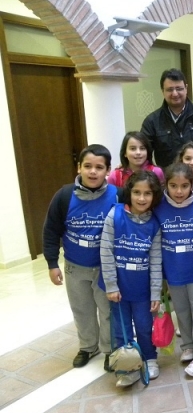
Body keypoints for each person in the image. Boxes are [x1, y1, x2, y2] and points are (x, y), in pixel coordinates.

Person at [43, 144, 120, 371]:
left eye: (99, 167)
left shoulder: (118, 195)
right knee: (82, 309)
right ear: (79, 168)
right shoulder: (64, 196)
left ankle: (109, 350)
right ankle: (88, 346)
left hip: (106, 269)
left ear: (108, 170)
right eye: (87, 166)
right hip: (75, 267)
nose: (93, 172)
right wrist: (51, 263)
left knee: (107, 311)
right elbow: (51, 230)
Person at [100, 170, 163, 388]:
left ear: (155, 196)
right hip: (117, 289)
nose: (142, 198)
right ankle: (126, 366)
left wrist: (155, 293)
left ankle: (149, 358)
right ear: (129, 192)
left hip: (142, 290)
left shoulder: (154, 224)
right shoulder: (114, 215)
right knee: (121, 328)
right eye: (137, 192)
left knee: (145, 326)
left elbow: (155, 262)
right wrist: (111, 285)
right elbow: (105, 251)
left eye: (147, 193)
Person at [154, 163, 193, 378]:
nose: (179, 191)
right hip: (173, 269)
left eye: (184, 186)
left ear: (192, 185)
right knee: (182, 310)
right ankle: (188, 346)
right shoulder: (159, 205)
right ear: (166, 185)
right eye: (173, 186)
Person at [141, 68, 193, 168]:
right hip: (168, 180)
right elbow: (142, 150)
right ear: (162, 91)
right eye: (169, 89)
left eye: (179, 88)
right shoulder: (152, 121)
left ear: (186, 88)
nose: (175, 93)